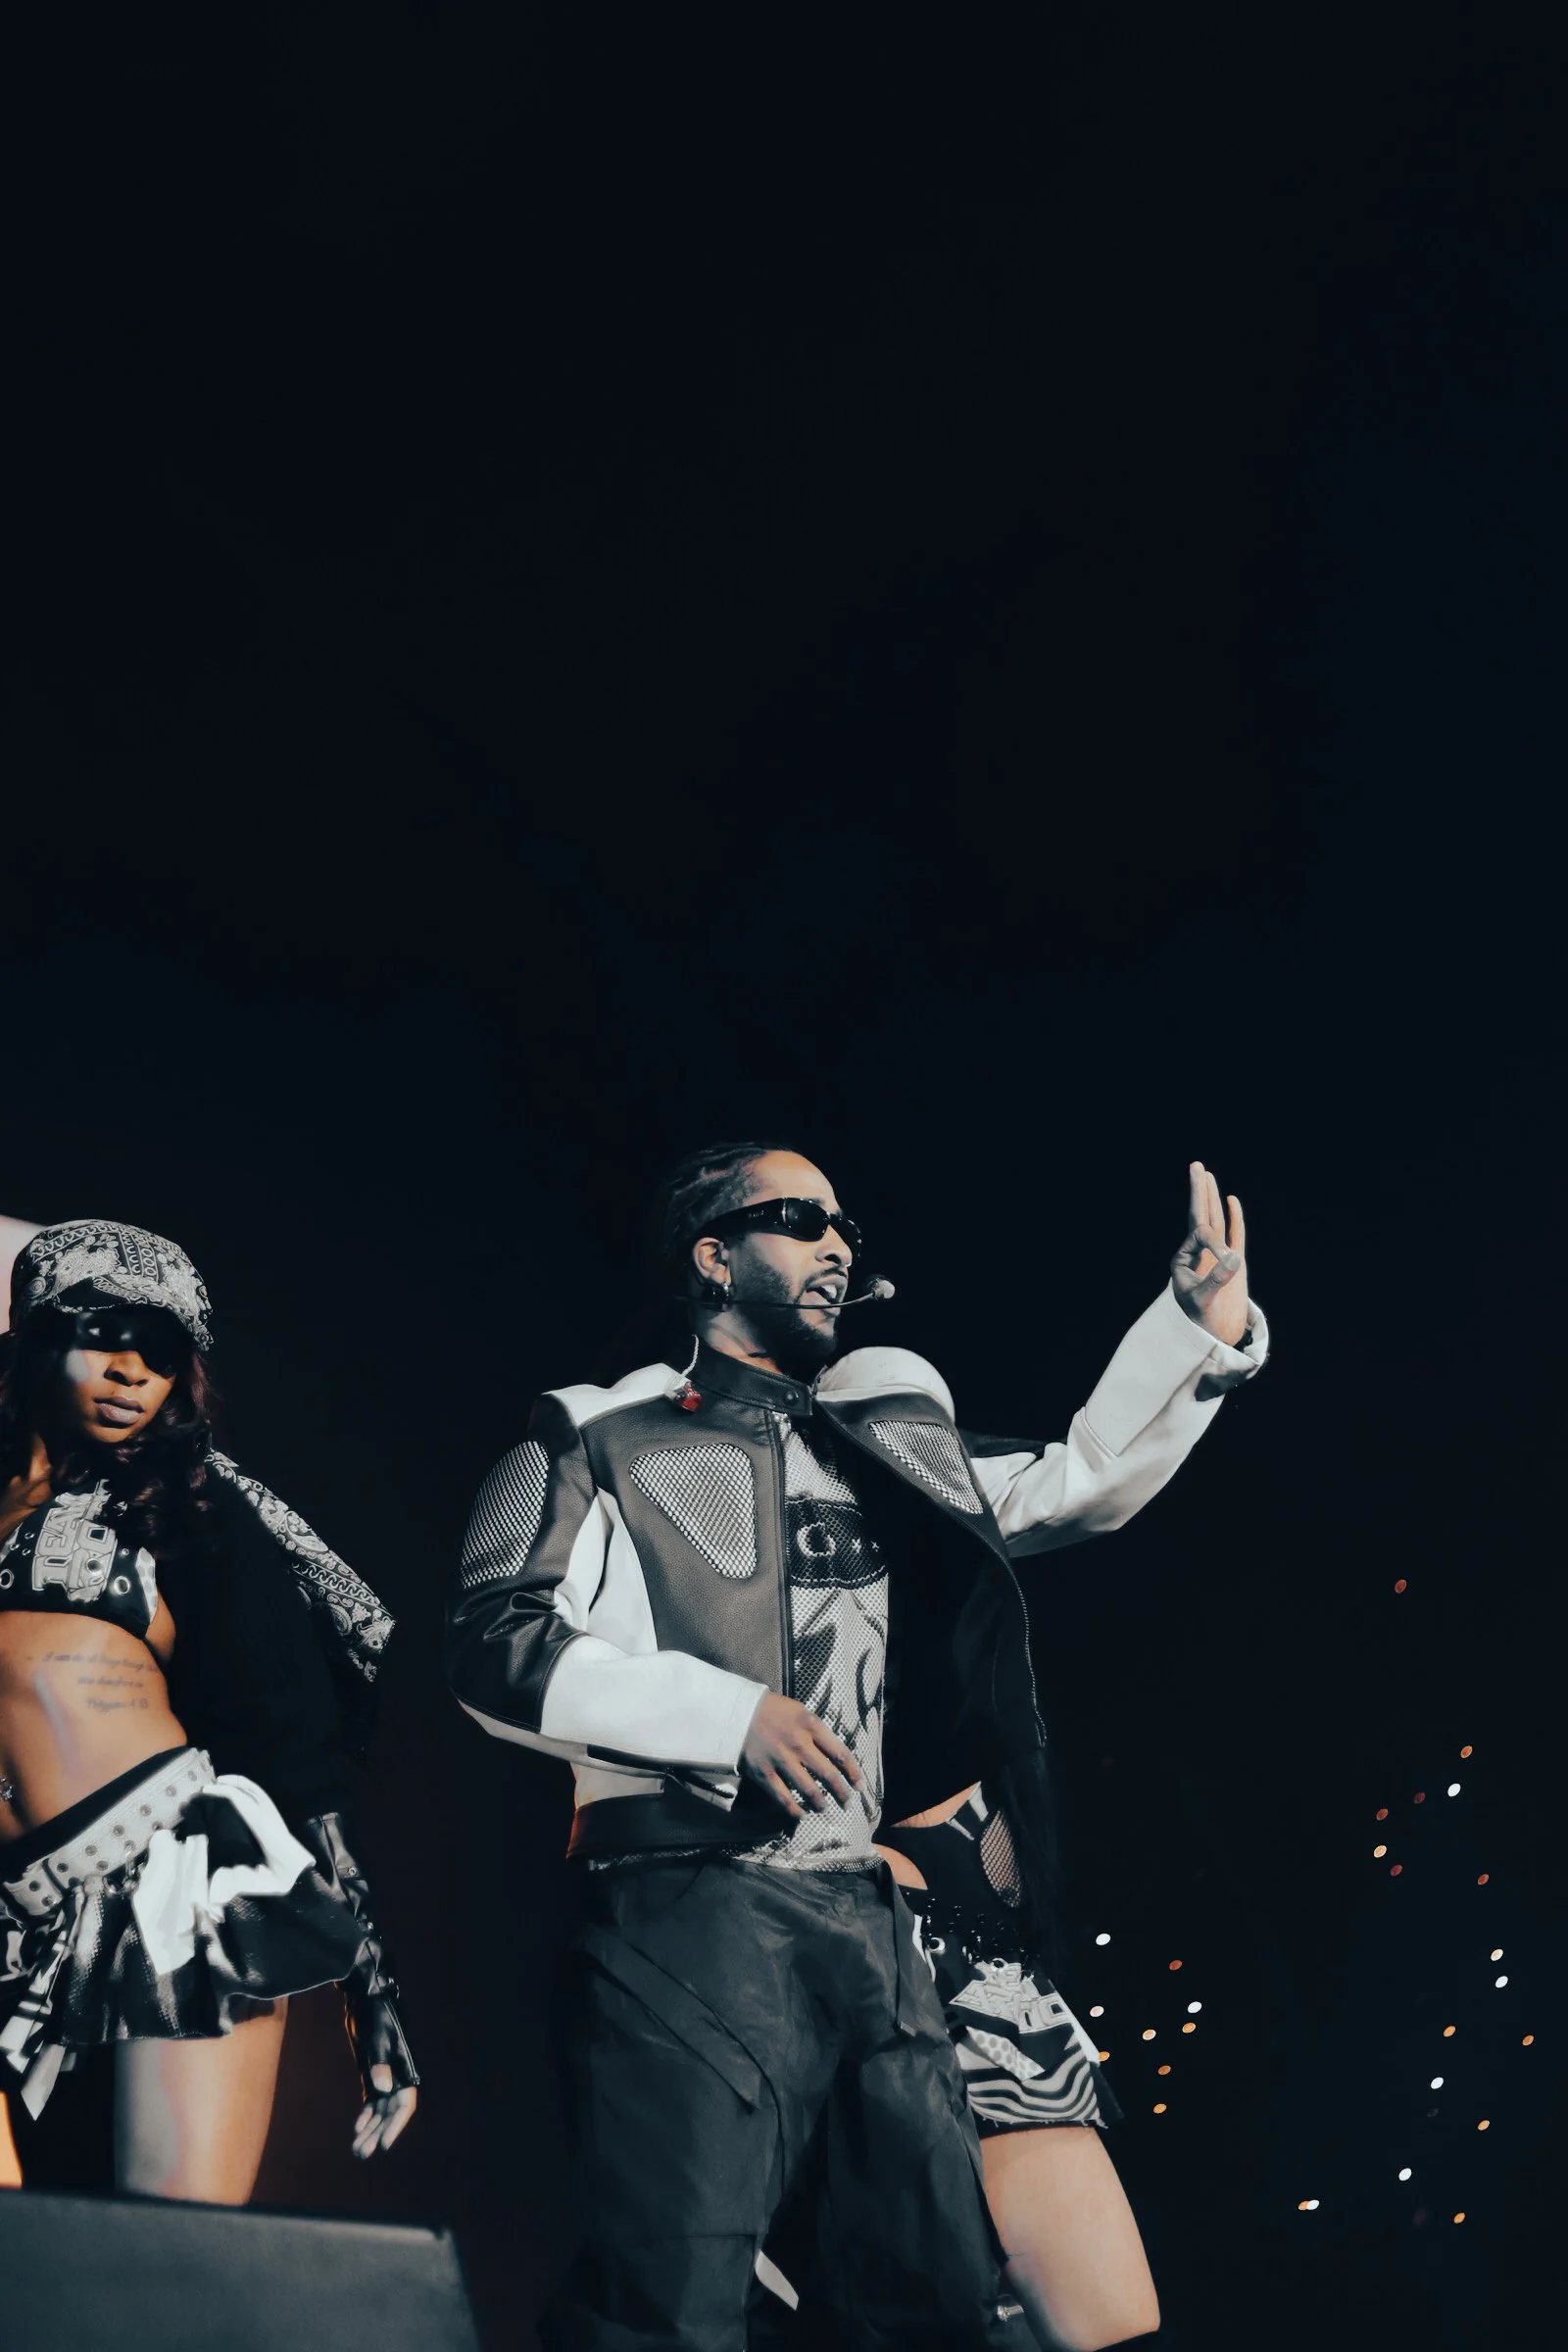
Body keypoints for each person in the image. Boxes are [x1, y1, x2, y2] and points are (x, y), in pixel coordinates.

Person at [448, 1144, 1266, 2350]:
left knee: (922, 2301)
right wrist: (726, 1716)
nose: (836, 1245)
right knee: (676, 2294)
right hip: (687, 1902)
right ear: (712, 1256)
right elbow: (491, 1642)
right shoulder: (592, 1430)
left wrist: (1195, 1329)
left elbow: (1080, 1478)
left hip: (869, 1920)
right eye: (799, 1218)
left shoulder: (880, 1443)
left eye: (844, 1227)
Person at [0, 1219, 418, 2202]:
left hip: (170, 1898)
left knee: (168, 2254)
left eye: (161, 1351)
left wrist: (371, 1990)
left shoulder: (195, 1508)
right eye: (104, 1336)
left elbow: (289, 1749)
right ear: (35, 1338)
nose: (131, 1371)